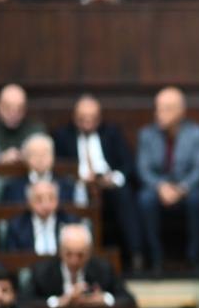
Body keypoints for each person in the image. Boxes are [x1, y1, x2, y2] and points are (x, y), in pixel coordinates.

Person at [51, 93, 142, 264]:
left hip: (108, 185)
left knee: (125, 195)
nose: (87, 123)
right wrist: (78, 178)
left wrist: (113, 178)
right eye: (82, 118)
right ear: (74, 117)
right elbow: (58, 167)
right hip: (77, 185)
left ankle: (135, 253)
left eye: (92, 118)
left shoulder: (112, 133)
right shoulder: (63, 135)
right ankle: (73, 252)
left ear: (99, 118)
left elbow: (128, 163)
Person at [137, 86, 199, 268]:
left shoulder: (196, 133)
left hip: (186, 188)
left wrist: (181, 189)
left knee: (197, 200)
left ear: (180, 111)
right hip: (158, 188)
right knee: (145, 199)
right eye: (157, 108)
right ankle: (155, 256)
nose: (159, 113)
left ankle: (194, 257)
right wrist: (161, 187)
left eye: (166, 109)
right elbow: (143, 170)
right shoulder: (147, 134)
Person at [31, 223, 133, 308]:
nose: (74, 261)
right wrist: (58, 302)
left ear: (89, 253)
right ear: (60, 251)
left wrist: (104, 299)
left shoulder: (103, 269)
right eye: (68, 254)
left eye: (80, 255)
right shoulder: (42, 272)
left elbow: (128, 300)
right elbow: (25, 302)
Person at [2, 181, 78, 255]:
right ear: (29, 202)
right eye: (39, 199)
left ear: (57, 200)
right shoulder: (17, 226)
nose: (46, 205)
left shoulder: (70, 223)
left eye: (51, 198)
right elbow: (11, 257)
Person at [0, 134, 77, 204]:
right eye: (35, 154)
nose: (40, 159)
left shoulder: (67, 186)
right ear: (26, 158)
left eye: (44, 153)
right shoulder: (13, 188)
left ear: (53, 157)